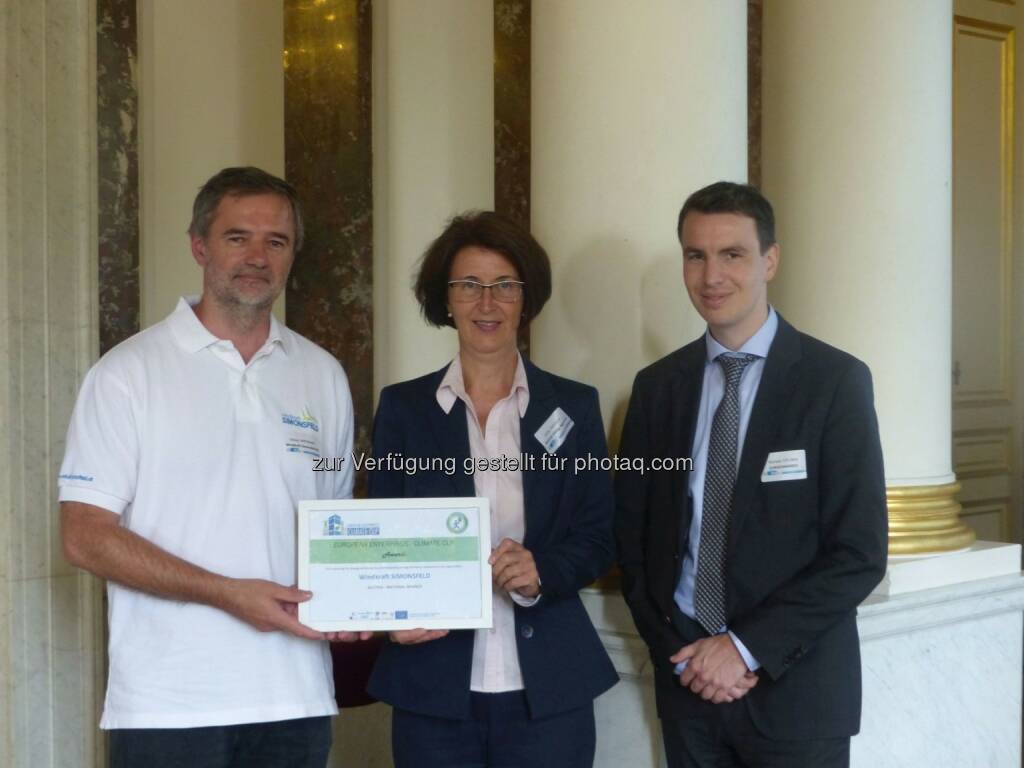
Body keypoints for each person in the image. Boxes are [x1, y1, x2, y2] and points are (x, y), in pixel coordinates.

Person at [59, 167, 368, 768]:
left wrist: (375, 604)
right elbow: (84, 537)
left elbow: (333, 529)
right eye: (238, 237)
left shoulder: (321, 374)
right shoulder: (127, 375)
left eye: (276, 241)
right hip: (170, 705)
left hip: (295, 697)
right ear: (200, 245)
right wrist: (229, 594)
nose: (257, 256)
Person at [614, 181, 888, 768]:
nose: (711, 275)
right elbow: (636, 548)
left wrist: (742, 650)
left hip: (797, 696)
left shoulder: (834, 383)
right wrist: (684, 656)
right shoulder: (656, 389)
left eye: (732, 254)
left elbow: (859, 553)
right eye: (695, 255)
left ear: (770, 259)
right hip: (688, 693)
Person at [366, 211, 618, 768]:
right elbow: (382, 535)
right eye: (468, 286)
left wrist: (542, 571)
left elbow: (600, 534)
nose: (487, 303)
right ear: (446, 299)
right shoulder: (403, 411)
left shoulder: (572, 407)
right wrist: (393, 612)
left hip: (549, 690)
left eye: (505, 285)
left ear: (525, 298)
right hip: (433, 688)